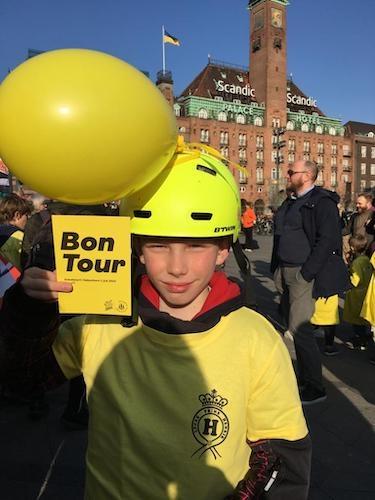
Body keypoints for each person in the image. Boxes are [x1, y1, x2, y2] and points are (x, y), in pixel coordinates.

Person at [0, 145, 311, 499]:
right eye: (159, 246)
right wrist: (30, 311)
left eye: (195, 247)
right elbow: (23, 380)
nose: (177, 267)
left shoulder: (255, 336)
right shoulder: (98, 325)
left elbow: (281, 457)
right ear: (138, 249)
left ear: (223, 249)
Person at [271, 160, 349, 405]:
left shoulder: (322, 202)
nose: (287, 174)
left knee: (300, 329)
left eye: (291, 172)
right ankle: (303, 378)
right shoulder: (291, 201)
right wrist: (277, 270)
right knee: (290, 321)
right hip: (284, 270)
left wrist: (306, 273)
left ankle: (315, 387)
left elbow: (328, 240)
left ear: (306, 175)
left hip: (301, 273)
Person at [343, 234, 373, 350]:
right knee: (364, 318)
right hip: (366, 292)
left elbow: (354, 280)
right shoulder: (367, 260)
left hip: (356, 295)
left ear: (353, 248)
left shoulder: (356, 263)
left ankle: (360, 340)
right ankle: (365, 336)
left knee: (356, 320)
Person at [0, 193, 32, 270]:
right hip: (13, 278)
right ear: (17, 215)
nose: (27, 219)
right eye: (26, 215)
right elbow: (26, 263)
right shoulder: (19, 234)